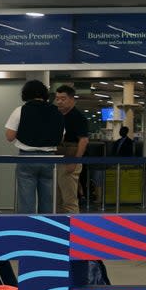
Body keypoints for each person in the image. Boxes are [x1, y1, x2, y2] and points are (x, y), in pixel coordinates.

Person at [4, 80, 64, 213]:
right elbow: (61, 137)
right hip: (49, 159)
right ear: (45, 94)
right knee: (48, 200)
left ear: (25, 94)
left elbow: (9, 136)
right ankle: (47, 229)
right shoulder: (57, 112)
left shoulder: (21, 110)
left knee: (26, 201)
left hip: (27, 158)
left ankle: (28, 229)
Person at [54, 85, 89, 213]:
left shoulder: (78, 117)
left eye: (63, 99)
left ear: (72, 99)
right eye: (57, 98)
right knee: (55, 199)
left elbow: (83, 140)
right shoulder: (56, 115)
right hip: (56, 159)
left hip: (70, 159)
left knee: (69, 199)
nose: (59, 102)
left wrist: (75, 161)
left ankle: (73, 228)